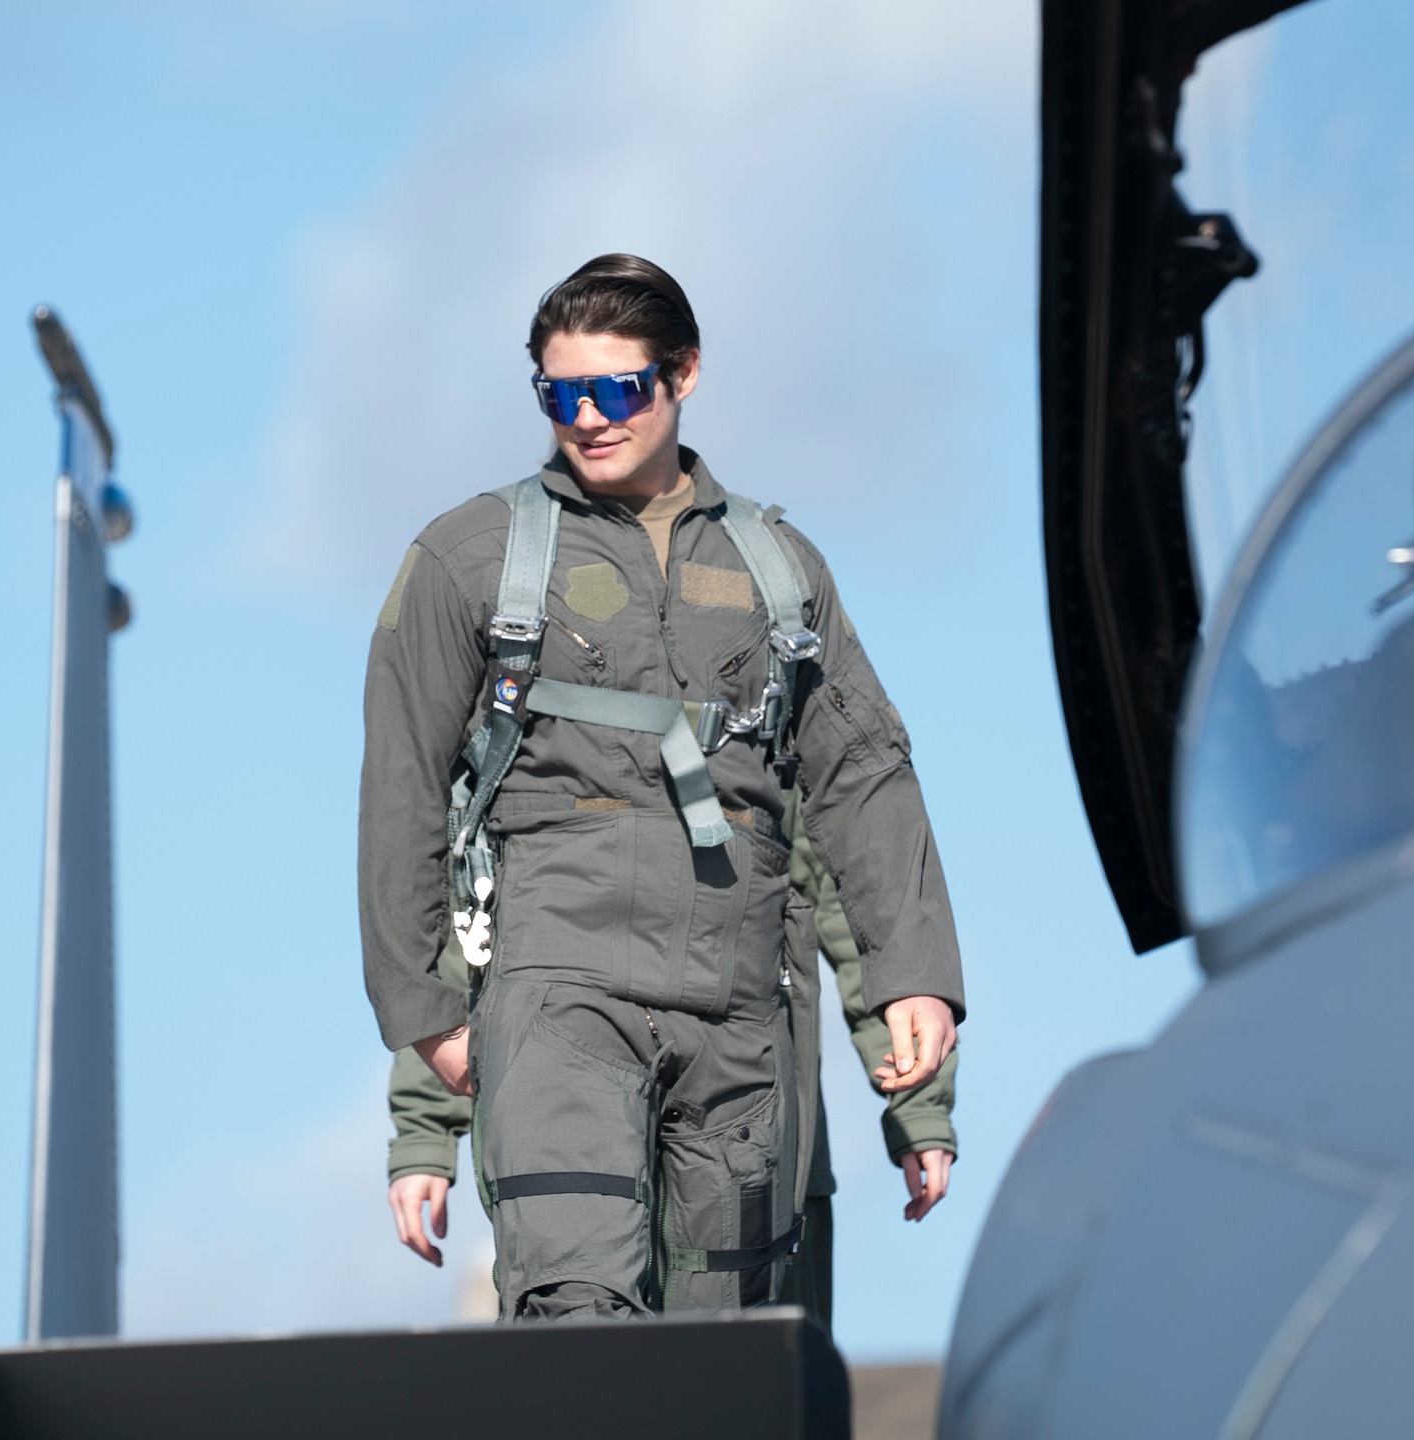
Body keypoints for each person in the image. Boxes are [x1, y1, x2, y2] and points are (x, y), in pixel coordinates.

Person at [359, 254, 965, 1321]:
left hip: (741, 1007)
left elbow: (861, 778)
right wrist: (425, 1014)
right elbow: (408, 793)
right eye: (559, 395)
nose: (586, 418)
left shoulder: (780, 570)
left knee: (722, 1360)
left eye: (615, 389)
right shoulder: (471, 558)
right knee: (576, 1314)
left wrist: (912, 975)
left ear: (682, 375)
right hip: (558, 982)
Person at [384, 789, 961, 1323]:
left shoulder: (766, 722)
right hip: (586, 1138)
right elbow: (480, 927)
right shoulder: (549, 727)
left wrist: (919, 1101)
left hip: (764, 1152)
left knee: (765, 1392)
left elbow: (863, 902)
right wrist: (425, 1132)